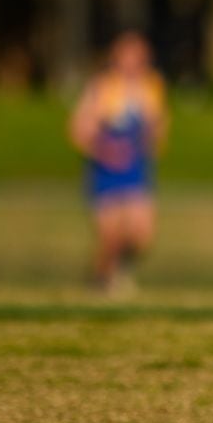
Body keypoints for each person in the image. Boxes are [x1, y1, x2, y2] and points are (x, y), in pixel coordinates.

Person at [68, 30, 168, 294]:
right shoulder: (102, 87)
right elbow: (79, 129)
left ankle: (120, 268)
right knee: (109, 235)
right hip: (106, 172)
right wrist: (104, 149)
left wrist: (154, 137)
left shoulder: (151, 87)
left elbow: (159, 127)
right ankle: (100, 280)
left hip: (136, 171)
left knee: (142, 235)